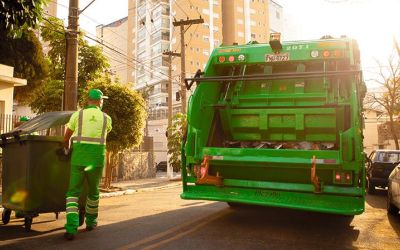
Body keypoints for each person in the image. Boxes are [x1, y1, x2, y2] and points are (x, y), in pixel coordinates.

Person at [63, 89, 112, 240]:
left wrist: (67, 149)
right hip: (95, 161)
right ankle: (91, 222)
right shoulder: (106, 118)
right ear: (100, 101)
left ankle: (71, 228)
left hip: (78, 159)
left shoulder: (77, 115)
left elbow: (66, 138)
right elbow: (105, 133)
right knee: (93, 192)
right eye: (102, 100)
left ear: (88, 100)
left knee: (72, 194)